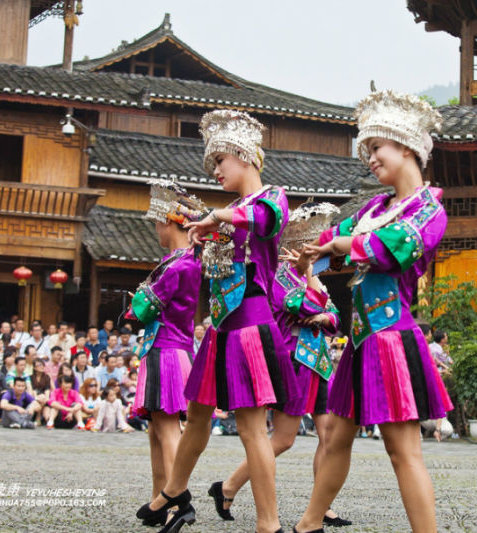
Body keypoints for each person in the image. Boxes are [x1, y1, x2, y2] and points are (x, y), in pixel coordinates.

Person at [294, 90, 453, 533]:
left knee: (402, 452)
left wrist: (340, 245)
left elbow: (390, 249)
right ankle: (309, 524)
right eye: (366, 152)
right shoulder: (374, 208)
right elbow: (330, 238)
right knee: (335, 437)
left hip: (390, 338)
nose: (370, 158)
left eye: (375, 149)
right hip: (362, 341)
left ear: (405, 147)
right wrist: (307, 250)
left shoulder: (428, 210)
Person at [139, 110, 298, 533]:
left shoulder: (272, 198)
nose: (216, 170)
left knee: (250, 427)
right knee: (197, 415)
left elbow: (262, 219)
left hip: (249, 326)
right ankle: (173, 491)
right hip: (221, 329)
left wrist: (217, 218)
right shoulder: (229, 211)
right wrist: (207, 227)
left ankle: (269, 523)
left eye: (221, 161)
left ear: (244, 156)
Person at [210, 202, 349, 527]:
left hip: (319, 363)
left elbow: (334, 317)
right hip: (294, 360)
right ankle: (228, 485)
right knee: (283, 439)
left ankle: (321, 507)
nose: (315, 252)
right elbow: (305, 306)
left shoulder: (311, 279)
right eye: (310, 246)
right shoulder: (280, 277)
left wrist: (322, 310)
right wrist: (314, 291)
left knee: (329, 435)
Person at [124, 178, 205, 527]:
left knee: (168, 428)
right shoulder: (178, 261)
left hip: (167, 349)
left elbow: (142, 310)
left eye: (158, 222)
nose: (156, 229)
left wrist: (137, 302)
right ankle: (160, 500)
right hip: (170, 348)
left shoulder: (178, 265)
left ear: (171, 222)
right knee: (158, 430)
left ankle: (178, 499)